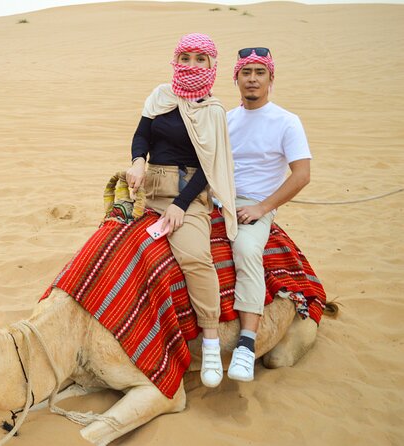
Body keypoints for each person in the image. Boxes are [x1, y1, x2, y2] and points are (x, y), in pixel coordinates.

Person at [126, 33, 238, 388]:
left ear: (211, 65)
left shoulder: (213, 110)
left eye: (199, 59)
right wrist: (137, 161)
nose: (191, 65)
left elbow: (209, 166)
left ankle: (210, 340)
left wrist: (180, 205)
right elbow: (142, 136)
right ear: (176, 60)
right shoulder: (161, 96)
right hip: (148, 190)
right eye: (185, 57)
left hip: (188, 194)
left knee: (194, 257)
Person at [226, 47, 312, 382]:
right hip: (215, 200)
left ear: (270, 78)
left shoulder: (286, 122)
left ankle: (246, 343)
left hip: (254, 204)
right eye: (246, 72)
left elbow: (301, 175)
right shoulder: (226, 120)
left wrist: (262, 208)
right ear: (236, 78)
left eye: (259, 72)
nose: (252, 79)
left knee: (246, 249)